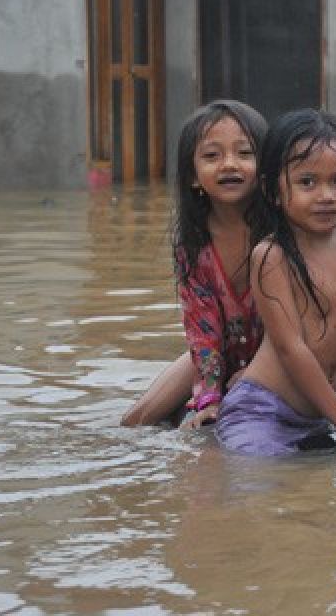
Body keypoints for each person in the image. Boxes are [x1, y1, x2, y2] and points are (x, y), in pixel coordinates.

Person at [214, 110, 336, 456]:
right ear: (273, 191)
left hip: (319, 417)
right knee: (263, 488)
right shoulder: (272, 256)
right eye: (307, 182)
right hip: (263, 410)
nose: (326, 195)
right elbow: (291, 348)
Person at [121, 100, 268, 428]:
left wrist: (259, 371)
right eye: (212, 156)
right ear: (192, 176)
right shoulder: (194, 246)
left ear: (265, 168)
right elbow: (203, 333)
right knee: (135, 420)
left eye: (245, 154)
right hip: (221, 354)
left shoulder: (280, 233)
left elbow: (298, 320)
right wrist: (208, 401)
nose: (230, 165)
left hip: (280, 356)